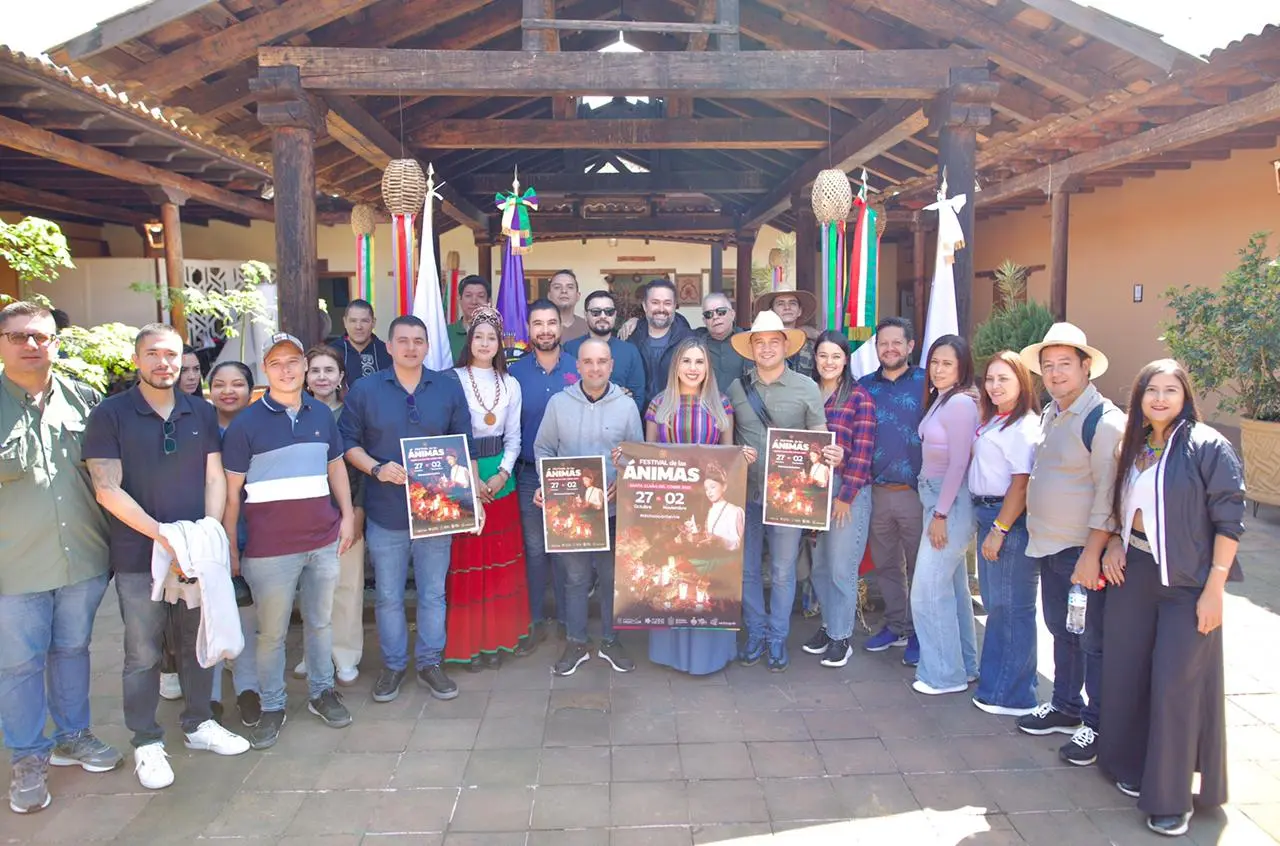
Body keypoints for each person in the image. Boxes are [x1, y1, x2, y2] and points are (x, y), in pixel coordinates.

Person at [84, 323, 249, 791]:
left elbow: (214, 478)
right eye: (153, 354)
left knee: (198, 643)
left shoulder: (200, 410)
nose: (164, 363)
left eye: (172, 355)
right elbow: (106, 488)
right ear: (137, 359)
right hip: (140, 554)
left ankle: (199, 724)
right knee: (143, 652)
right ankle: (146, 740)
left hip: (194, 553)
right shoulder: (111, 414)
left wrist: (206, 535)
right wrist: (163, 537)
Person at [1099, 359, 1244, 838]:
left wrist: (1214, 591)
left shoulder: (1207, 445)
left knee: (1175, 685)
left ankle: (1171, 796)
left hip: (1189, 583)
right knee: (1127, 671)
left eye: (1170, 390)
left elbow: (1229, 522)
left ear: (1185, 396)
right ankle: (1131, 766)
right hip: (1135, 573)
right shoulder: (1136, 445)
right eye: (1150, 391)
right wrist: (1118, 541)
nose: (1159, 399)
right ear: (1139, 397)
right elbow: (1127, 507)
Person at [0, 302, 119, 815]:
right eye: (19, 335)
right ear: (2, 341)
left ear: (56, 342)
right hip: (15, 565)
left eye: (41, 336)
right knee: (20, 665)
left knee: (73, 650)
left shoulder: (85, 399)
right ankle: (28, 755)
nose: (31, 345)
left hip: (83, 560)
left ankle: (73, 735)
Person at [221, 333, 356, 749]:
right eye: (277, 362)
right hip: (268, 549)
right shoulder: (245, 424)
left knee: (319, 623)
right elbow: (231, 493)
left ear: (303, 364)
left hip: (321, 539)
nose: (286, 369)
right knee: (272, 633)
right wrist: (229, 544)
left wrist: (348, 516)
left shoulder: (320, 414)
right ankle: (273, 704)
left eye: (293, 361)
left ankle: (321, 692)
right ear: (266, 368)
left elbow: (336, 468)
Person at [339, 315, 482, 705]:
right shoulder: (366, 390)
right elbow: (347, 442)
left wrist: (472, 501)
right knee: (387, 595)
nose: (411, 347)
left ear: (427, 346)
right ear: (388, 346)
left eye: (418, 341)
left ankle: (430, 662)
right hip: (387, 510)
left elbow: (463, 445)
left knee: (434, 593)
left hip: (438, 510)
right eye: (402, 340)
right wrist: (377, 468)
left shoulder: (446, 388)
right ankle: (394, 665)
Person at [1017, 323, 1124, 766]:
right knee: (1063, 631)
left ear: (1085, 367)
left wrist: (1093, 554)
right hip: (1050, 546)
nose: (1056, 373)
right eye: (1048, 366)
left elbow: (1108, 493)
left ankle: (1097, 725)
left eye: (1065, 364)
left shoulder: (1104, 421)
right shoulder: (1052, 411)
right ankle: (1065, 705)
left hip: (1081, 553)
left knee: (1093, 640)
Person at [726, 311, 841, 672]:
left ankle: (777, 638)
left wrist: (830, 454)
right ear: (751, 348)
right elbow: (726, 443)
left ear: (785, 347)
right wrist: (734, 455)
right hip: (745, 493)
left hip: (788, 499)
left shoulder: (806, 387)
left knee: (781, 570)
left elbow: (819, 438)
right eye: (759, 342)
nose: (766, 348)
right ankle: (756, 633)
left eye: (774, 341)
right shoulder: (736, 389)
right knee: (745, 570)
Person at [534, 338, 643, 676]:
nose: (595, 368)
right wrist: (548, 486)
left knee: (612, 578)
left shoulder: (626, 406)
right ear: (577, 366)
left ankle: (611, 640)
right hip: (572, 513)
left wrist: (622, 478)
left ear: (611, 366)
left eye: (602, 362)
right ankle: (577, 641)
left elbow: (637, 456)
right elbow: (543, 449)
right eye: (588, 362)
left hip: (612, 510)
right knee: (575, 578)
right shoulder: (558, 404)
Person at [644, 337, 743, 675]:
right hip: (671, 508)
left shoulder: (722, 405)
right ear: (676, 366)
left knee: (707, 576)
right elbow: (649, 455)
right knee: (676, 574)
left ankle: (708, 655)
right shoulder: (659, 405)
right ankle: (671, 653)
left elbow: (729, 459)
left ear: (707, 367)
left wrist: (744, 458)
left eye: (699, 362)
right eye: (686, 361)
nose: (692, 368)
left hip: (708, 504)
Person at [444, 307, 532, 672]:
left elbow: (514, 437)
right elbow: (448, 431)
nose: (484, 343)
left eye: (491, 338)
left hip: (500, 477)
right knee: (469, 564)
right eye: (478, 336)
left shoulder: (510, 384)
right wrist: (471, 477)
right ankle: (470, 645)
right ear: (470, 340)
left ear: (499, 344)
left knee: (499, 564)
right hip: (461, 475)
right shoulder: (451, 379)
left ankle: (498, 640)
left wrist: (501, 474)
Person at [968, 351, 1041, 717]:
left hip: (1006, 518)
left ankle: (1012, 694)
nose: (995, 386)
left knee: (1011, 608)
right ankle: (998, 683)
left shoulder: (1023, 426)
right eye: (990, 379)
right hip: (989, 513)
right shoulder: (997, 419)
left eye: (1004, 379)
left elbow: (1022, 483)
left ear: (1022, 383)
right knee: (999, 604)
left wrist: (999, 528)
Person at [909, 334, 980, 696]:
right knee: (952, 588)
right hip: (935, 499)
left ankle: (944, 675)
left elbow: (959, 464)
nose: (938, 369)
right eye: (935, 362)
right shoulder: (942, 399)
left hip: (948, 503)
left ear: (962, 367)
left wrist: (940, 513)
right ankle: (965, 666)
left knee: (926, 592)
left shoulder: (961, 405)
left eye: (947, 363)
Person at [801, 331, 875, 669]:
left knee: (841, 568)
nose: (828, 362)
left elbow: (863, 453)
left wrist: (846, 497)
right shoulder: (808, 392)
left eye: (835, 356)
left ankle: (842, 637)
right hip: (812, 489)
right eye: (822, 356)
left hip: (848, 491)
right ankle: (829, 626)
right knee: (819, 567)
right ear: (814, 359)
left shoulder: (859, 397)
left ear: (846, 359)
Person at [858, 317, 928, 665]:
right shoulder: (863, 387)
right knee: (886, 565)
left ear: (910, 346)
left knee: (919, 565)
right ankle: (896, 625)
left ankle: (919, 632)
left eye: (896, 342)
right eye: (883, 343)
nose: (889, 349)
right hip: (877, 490)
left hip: (917, 491)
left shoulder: (928, 383)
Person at [509, 299, 579, 642]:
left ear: (560, 326)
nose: (546, 330)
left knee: (567, 551)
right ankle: (534, 620)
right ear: (529, 329)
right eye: (538, 323)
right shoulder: (513, 374)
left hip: (572, 474)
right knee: (535, 551)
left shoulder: (579, 367)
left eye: (551, 322)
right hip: (528, 475)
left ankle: (569, 621)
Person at [300, 347, 365, 687]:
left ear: (341, 377)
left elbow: (364, 467)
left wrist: (355, 511)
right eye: (315, 371)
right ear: (306, 377)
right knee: (310, 589)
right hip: (305, 516)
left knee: (346, 586)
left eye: (329, 370)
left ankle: (345, 653)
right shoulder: (294, 413)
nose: (322, 377)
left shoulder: (352, 416)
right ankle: (314, 654)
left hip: (346, 512)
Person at [207, 361, 262, 729]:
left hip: (255, 529)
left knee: (246, 611)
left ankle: (247, 687)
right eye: (221, 384)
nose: (229, 391)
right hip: (207, 530)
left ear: (250, 389)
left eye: (238, 384)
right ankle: (208, 695)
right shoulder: (198, 427)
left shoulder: (261, 425)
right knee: (208, 614)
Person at [565, 289, 646, 415]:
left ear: (615, 315)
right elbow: (565, 391)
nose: (603, 316)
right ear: (586, 315)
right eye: (596, 312)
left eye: (609, 312)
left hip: (618, 428)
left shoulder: (629, 351)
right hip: (578, 426)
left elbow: (638, 397)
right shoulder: (570, 349)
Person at [626, 279, 694, 409]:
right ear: (645, 306)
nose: (661, 309)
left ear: (675, 306)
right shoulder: (630, 338)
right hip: (639, 416)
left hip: (677, 416)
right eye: (655, 303)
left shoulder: (689, 340)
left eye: (667, 303)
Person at [328, 299, 391, 390]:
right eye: (353, 321)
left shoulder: (387, 352)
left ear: (373, 323)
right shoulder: (331, 352)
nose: (358, 327)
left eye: (364, 321)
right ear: (345, 322)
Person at [694, 292, 748, 396]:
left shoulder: (747, 342)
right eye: (709, 314)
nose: (715, 317)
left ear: (732, 314)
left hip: (741, 407)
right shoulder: (697, 346)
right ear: (704, 321)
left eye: (721, 312)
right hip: (707, 407)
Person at [753, 290, 818, 375]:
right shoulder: (759, 345)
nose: (787, 307)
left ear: (799, 311)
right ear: (771, 311)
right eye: (780, 304)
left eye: (792, 303)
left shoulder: (812, 345)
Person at [447, 275, 492, 364]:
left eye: (480, 296)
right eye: (468, 296)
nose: (474, 301)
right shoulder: (446, 333)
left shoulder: (497, 333)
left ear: (489, 301)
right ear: (459, 299)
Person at [548, 270, 589, 343]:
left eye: (570, 287)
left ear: (578, 296)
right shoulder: (539, 328)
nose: (564, 291)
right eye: (557, 287)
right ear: (549, 296)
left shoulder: (588, 327)